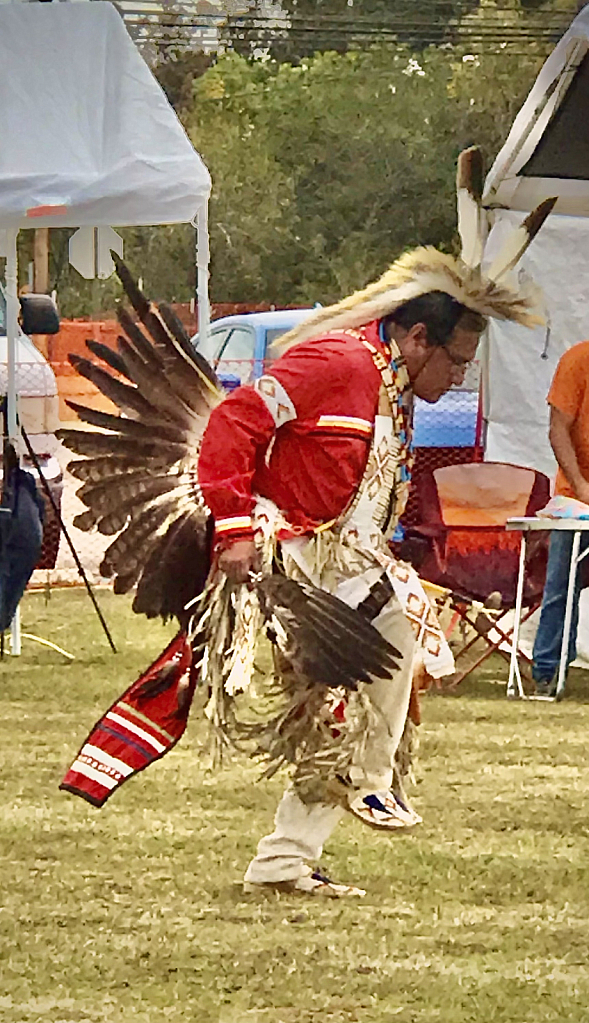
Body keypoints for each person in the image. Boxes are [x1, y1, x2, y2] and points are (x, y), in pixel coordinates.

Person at [58, 150, 554, 898]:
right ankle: (353, 788)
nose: (456, 378)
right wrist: (230, 529)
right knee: (362, 678)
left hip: (347, 563)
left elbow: (362, 488)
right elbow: (233, 423)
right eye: (454, 361)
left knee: (361, 688)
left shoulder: (391, 389)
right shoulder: (335, 361)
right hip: (286, 558)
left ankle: (297, 847)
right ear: (416, 337)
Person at [532, 342, 589, 697]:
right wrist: (581, 486)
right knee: (562, 585)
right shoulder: (578, 359)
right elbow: (558, 430)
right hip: (576, 496)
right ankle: (548, 670)